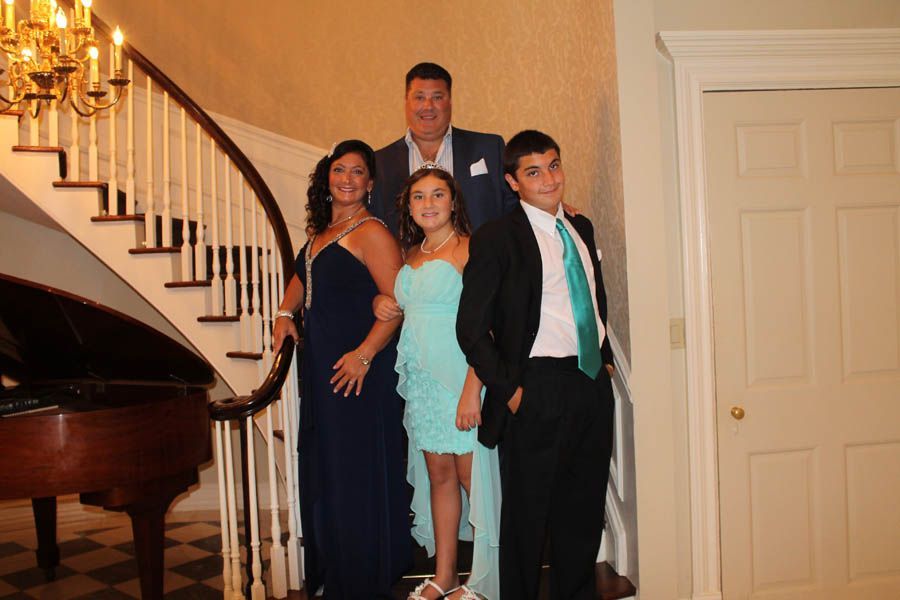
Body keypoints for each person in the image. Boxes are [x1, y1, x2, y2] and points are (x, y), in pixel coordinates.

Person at [456, 130, 615, 599]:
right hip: (536, 386)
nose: (548, 179)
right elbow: (471, 327)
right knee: (527, 519)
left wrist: (605, 360)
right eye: (533, 172)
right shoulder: (497, 237)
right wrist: (510, 391)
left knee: (583, 511)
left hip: (590, 382)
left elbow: (594, 296)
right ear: (513, 182)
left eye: (553, 165)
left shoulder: (581, 227)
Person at [271, 140, 411, 598]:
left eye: (357, 171)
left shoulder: (371, 232)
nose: (347, 178)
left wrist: (364, 355)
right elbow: (301, 276)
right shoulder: (321, 234)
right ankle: (338, 572)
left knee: (356, 474)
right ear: (326, 177)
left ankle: (362, 578)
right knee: (331, 471)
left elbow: (397, 304)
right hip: (324, 372)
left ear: (370, 183)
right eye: (339, 169)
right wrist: (285, 312)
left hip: (360, 375)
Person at [375, 165, 501, 599]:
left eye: (437, 195)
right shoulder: (411, 254)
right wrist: (381, 302)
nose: (428, 204)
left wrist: (472, 389)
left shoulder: (469, 249)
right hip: (424, 385)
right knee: (439, 476)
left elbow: (488, 326)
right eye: (419, 197)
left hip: (461, 379)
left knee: (473, 481)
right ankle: (444, 575)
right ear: (408, 207)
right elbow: (408, 306)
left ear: (453, 202)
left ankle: (484, 580)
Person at [370, 62, 519, 236]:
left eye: (437, 97)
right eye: (419, 97)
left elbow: (516, 211)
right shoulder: (380, 163)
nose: (428, 106)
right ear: (406, 102)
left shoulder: (490, 148)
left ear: (450, 101)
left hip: (483, 252)